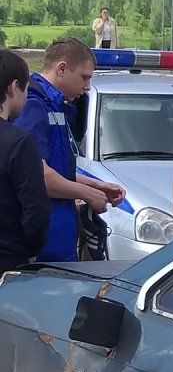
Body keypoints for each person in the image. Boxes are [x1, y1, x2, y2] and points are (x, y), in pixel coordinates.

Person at [12, 38, 125, 262]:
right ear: (61, 68)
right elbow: (37, 175)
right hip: (42, 242)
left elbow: (57, 170)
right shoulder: (34, 105)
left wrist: (96, 185)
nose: (87, 86)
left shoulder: (57, 105)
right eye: (84, 77)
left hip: (56, 236)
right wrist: (87, 193)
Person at [0, 50, 52, 273]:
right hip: (9, 262)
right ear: (13, 87)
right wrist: (31, 250)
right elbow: (35, 211)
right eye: (26, 89)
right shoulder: (20, 143)